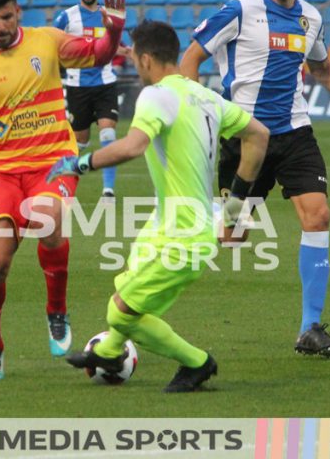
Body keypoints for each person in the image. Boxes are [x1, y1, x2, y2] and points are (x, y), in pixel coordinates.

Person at [179, 0, 330, 358]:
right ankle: (188, 225)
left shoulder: (311, 18)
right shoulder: (238, 11)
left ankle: (310, 328)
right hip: (245, 138)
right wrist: (198, 112)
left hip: (294, 133)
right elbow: (190, 58)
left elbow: (321, 70)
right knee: (232, 236)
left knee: (318, 215)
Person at [48, 20, 270, 392]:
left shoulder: (156, 95)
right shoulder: (204, 95)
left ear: (147, 59)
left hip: (184, 237)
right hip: (166, 226)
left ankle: (197, 362)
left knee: (120, 310)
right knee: (126, 292)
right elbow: (258, 136)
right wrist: (233, 209)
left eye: (134, 57)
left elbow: (133, 146)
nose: (134, 64)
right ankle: (109, 350)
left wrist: (80, 163)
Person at [0, 0, 126, 380]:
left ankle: (56, 310)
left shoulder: (47, 41)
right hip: (3, 171)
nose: (0, 27)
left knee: (47, 218)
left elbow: (99, 55)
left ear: (18, 11)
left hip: (54, 159)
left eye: (6, 17)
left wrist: (115, 27)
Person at [53, 0, 125, 198]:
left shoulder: (108, 15)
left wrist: (128, 51)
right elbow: (51, 44)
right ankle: (65, 184)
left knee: (108, 135)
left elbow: (114, 44)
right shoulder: (66, 17)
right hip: (77, 88)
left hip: (105, 84)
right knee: (79, 143)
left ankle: (108, 190)